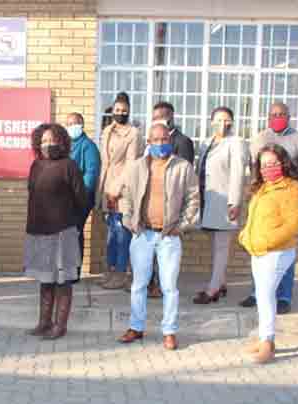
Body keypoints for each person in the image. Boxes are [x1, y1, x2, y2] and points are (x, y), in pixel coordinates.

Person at [115, 123, 199, 350]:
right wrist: (128, 220)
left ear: (170, 141)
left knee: (169, 286)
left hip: (169, 235)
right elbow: (127, 196)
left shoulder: (182, 167)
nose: (160, 144)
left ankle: (169, 331)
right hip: (143, 233)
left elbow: (193, 198)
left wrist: (181, 226)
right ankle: (136, 327)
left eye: (164, 140)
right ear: (148, 142)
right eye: (156, 140)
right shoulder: (137, 167)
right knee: (138, 284)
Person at [239, 102, 298, 314]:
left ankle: (283, 296)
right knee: (260, 251)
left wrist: (293, 194)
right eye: (273, 114)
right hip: (264, 199)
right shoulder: (260, 139)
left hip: (286, 201)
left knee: (283, 248)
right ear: (267, 117)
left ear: (289, 116)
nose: (278, 117)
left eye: (282, 114)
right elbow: (254, 169)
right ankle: (258, 293)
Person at [239, 143, 298, 363]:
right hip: (258, 249)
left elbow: (292, 225)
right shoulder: (262, 187)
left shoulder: (291, 189)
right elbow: (254, 217)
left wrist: (266, 242)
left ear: (283, 163)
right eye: (264, 164)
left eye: (273, 163)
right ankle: (263, 338)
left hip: (275, 251)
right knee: (262, 295)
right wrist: (245, 236)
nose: (268, 168)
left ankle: (268, 342)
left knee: (267, 296)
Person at [24, 123, 87, 340]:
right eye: (43, 141)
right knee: (45, 280)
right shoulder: (36, 166)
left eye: (52, 140)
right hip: (39, 232)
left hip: (63, 233)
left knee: (63, 281)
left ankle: (60, 326)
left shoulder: (69, 166)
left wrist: (74, 227)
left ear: (62, 141)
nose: (48, 145)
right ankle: (44, 322)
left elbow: (82, 200)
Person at [193, 106, 248, 304]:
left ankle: (213, 289)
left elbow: (238, 173)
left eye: (227, 120)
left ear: (232, 122)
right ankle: (221, 283)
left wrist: (235, 202)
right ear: (211, 121)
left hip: (225, 202)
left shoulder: (236, 142)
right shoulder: (206, 143)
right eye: (218, 120)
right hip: (207, 200)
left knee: (221, 246)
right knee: (215, 245)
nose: (222, 124)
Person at [142, 101, 196, 299]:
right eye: (155, 116)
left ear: (171, 117)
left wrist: (182, 222)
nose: (158, 120)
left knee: (166, 264)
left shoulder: (182, 142)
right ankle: (149, 284)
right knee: (149, 259)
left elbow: (187, 183)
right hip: (149, 218)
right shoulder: (151, 142)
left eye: (161, 116)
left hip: (171, 216)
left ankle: (159, 286)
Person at [98, 92, 144, 290]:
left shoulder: (133, 134)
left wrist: (117, 187)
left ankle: (122, 273)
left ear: (129, 111)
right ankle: (111, 270)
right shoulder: (107, 130)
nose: (120, 113)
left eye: (124, 111)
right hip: (106, 186)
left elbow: (132, 164)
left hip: (123, 189)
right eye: (117, 110)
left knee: (122, 233)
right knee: (111, 231)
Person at [65, 112, 100, 262]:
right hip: (67, 197)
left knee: (75, 231)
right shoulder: (65, 145)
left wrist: (80, 194)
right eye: (69, 124)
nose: (72, 127)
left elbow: (91, 173)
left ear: (82, 125)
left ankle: (75, 270)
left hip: (82, 197)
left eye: (75, 123)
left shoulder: (88, 146)